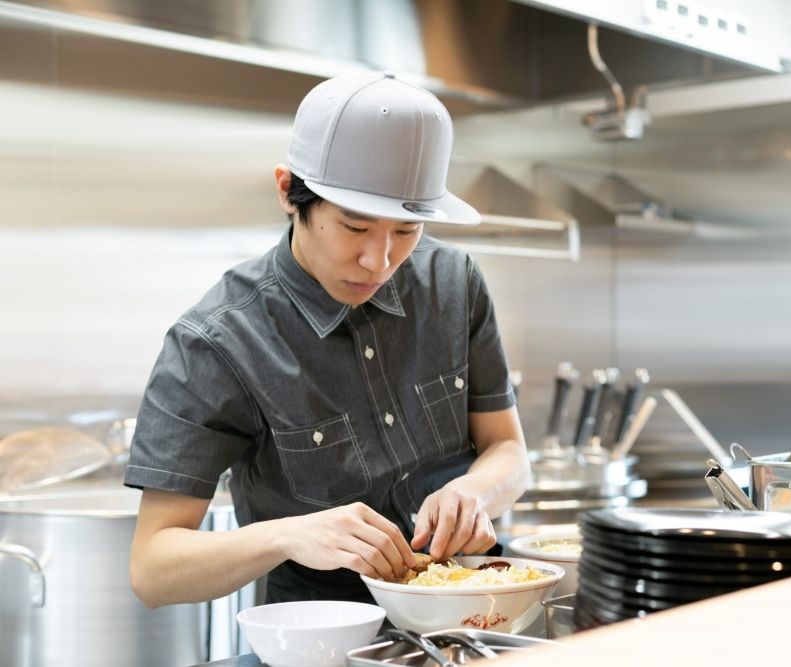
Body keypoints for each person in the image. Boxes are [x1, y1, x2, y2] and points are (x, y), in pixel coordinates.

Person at [125, 72, 530, 607]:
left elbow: (509, 451)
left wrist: (472, 492)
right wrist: (289, 534)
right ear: (288, 193)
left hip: (475, 610)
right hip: (321, 634)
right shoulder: (216, 342)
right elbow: (153, 569)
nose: (380, 261)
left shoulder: (453, 283)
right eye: (355, 227)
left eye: (407, 231)